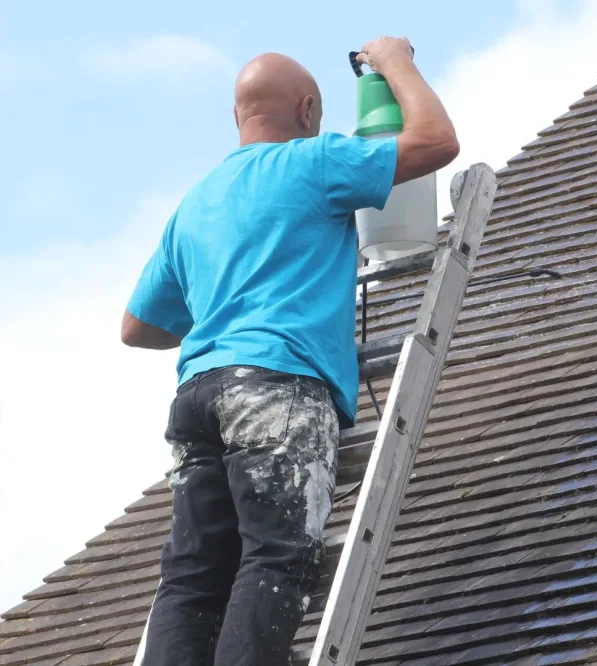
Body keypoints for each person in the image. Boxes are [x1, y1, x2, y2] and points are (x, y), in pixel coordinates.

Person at [121, 38, 458, 666]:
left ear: (237, 117)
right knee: (278, 557)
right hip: (275, 389)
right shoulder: (313, 161)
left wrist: (227, 308)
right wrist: (394, 63)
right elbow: (437, 142)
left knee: (193, 579)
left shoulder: (194, 205)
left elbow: (137, 327)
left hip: (197, 395)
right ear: (306, 111)